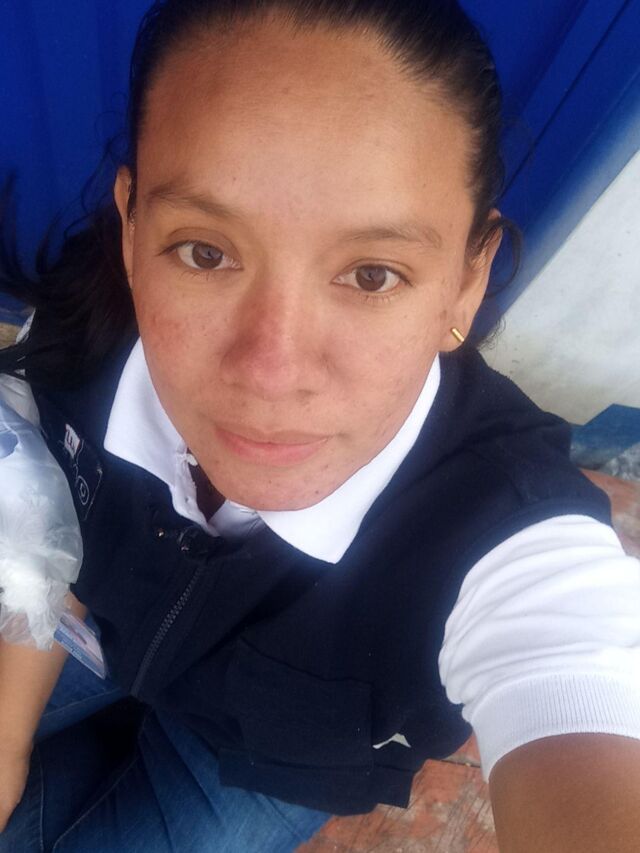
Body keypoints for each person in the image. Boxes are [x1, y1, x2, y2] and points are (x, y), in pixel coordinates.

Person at [0, 1, 639, 850]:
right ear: (131, 226)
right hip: (100, 639)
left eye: (372, 273)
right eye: (204, 252)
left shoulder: (511, 535)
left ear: (467, 279)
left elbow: (573, 685)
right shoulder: (90, 330)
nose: (272, 371)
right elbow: (44, 534)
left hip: (272, 760)